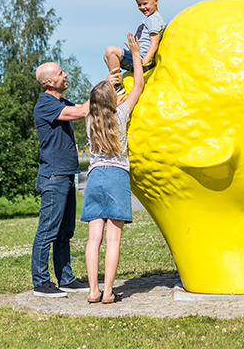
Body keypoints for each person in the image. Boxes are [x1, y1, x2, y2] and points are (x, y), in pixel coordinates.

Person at [82, 33, 145, 304]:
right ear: (113, 101)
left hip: (95, 177)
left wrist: (107, 84)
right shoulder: (120, 115)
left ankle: (92, 291)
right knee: (113, 240)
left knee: (93, 239)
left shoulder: (89, 120)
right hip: (117, 176)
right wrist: (136, 56)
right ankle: (108, 292)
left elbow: (97, 103)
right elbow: (138, 86)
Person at [30, 61, 95, 298]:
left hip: (66, 175)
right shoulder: (45, 104)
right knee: (47, 230)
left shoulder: (60, 103)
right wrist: (104, 87)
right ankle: (41, 282)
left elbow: (85, 107)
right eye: (60, 73)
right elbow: (82, 111)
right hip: (53, 176)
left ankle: (66, 278)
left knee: (64, 231)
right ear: (49, 82)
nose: (65, 74)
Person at [103, 0, 164, 90]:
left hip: (142, 60)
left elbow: (154, 44)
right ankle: (116, 82)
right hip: (138, 57)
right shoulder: (150, 19)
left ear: (156, 1)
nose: (142, 7)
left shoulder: (155, 20)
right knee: (106, 55)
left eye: (145, 3)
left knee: (111, 50)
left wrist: (144, 61)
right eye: (139, 4)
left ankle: (117, 86)